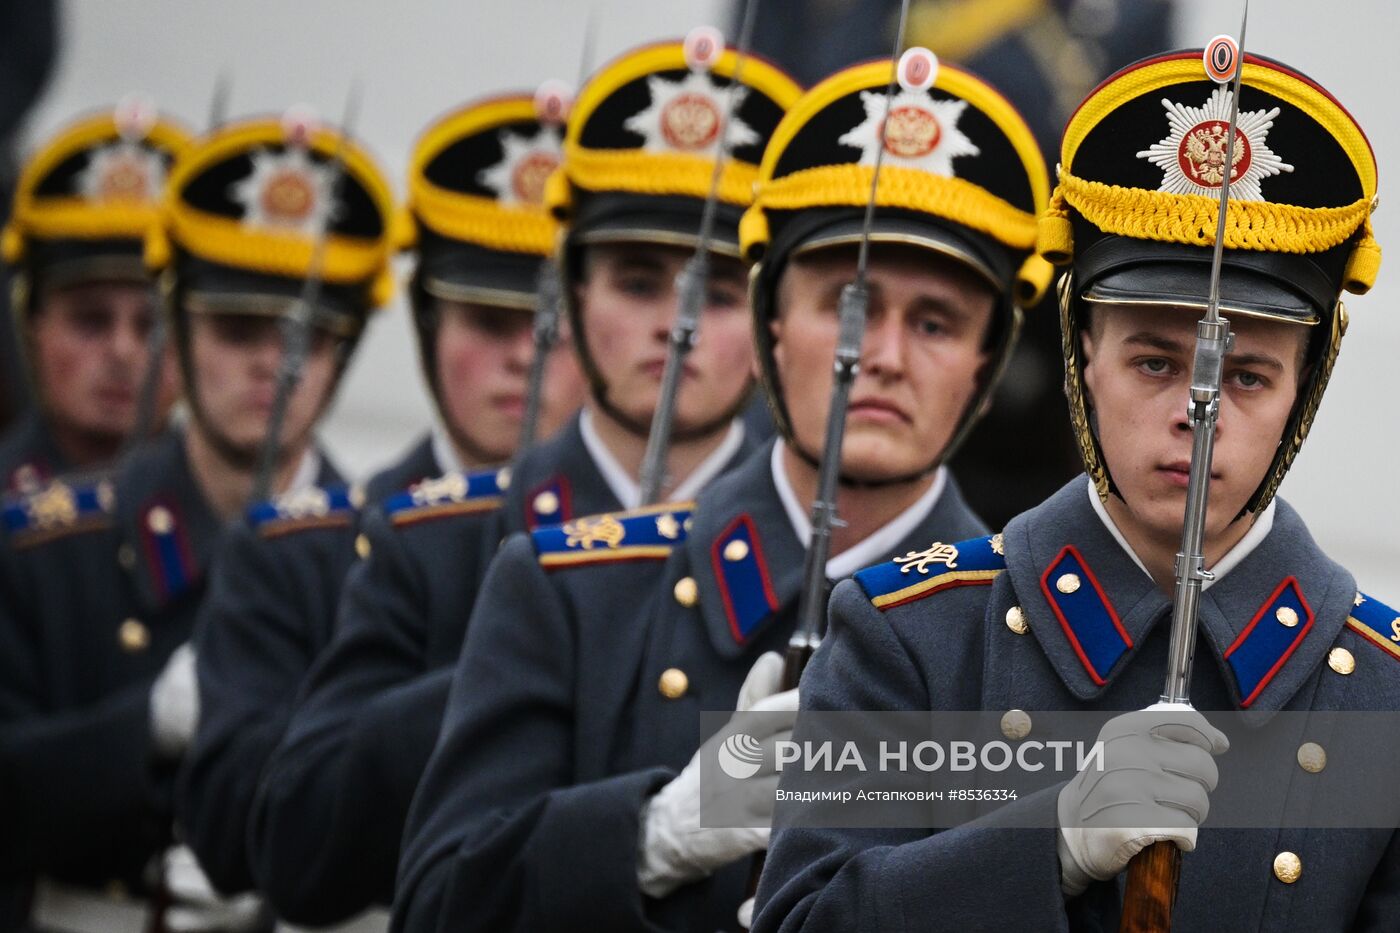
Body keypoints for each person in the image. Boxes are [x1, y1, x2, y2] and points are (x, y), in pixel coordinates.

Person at [394, 55, 1053, 932]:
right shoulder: (570, 587)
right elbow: (435, 908)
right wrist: (653, 835)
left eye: (934, 321)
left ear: (986, 361)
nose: (882, 356)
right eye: (847, 305)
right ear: (771, 324)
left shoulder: (1026, 638)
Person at [753, 49, 1398, 932]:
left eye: (1248, 377)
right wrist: (1042, 843)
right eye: (1151, 361)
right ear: (1081, 350)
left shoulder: (1381, 691)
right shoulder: (915, 634)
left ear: (1307, 386)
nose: (1193, 412)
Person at [247, 41, 802, 927]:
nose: (678, 325)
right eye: (635, 281)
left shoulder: (826, 553)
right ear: (571, 293)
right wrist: (524, 663)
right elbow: (299, 851)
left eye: (721, 292)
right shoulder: (440, 539)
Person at [175, 90, 587, 918]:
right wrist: (530, 676)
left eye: (550, 327)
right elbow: (235, 832)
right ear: (427, 322)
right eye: (486, 319)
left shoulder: (680, 547)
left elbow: (844, 803)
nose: (522, 359)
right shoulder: (302, 547)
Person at [0, 113, 398, 933]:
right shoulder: (49, 543)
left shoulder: (388, 555)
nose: (272, 365)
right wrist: (142, 729)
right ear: (180, 327)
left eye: (307, 338)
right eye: (239, 330)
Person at [0, 105, 190, 493]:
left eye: (152, 325)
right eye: (90, 320)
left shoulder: (244, 526)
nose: (122, 351)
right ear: (31, 324)